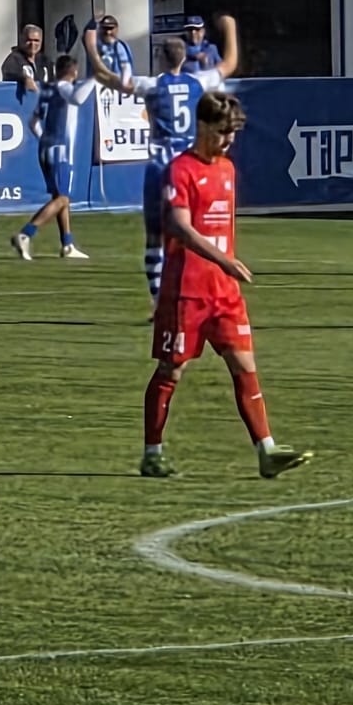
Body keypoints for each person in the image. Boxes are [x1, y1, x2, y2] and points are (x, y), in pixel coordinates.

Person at [142, 90, 311, 481]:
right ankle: (152, 452)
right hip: (186, 291)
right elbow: (179, 225)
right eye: (221, 133)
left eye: (232, 134)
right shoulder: (180, 170)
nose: (227, 141)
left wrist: (225, 267)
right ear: (202, 126)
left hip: (224, 293)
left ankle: (266, 450)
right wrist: (222, 259)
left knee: (244, 364)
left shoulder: (227, 169)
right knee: (171, 369)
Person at [89, 14, 242, 303]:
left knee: (155, 236)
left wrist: (91, 47)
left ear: (161, 58)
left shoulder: (151, 85)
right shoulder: (199, 81)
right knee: (192, 230)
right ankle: (196, 290)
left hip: (161, 164)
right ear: (183, 58)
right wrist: (230, 27)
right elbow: (229, 64)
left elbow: (104, 77)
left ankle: (160, 300)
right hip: (190, 164)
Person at [13, 53, 97, 262]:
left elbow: (33, 122)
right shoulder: (65, 88)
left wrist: (45, 139)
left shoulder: (47, 91)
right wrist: (96, 78)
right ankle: (26, 233)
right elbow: (78, 98)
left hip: (46, 148)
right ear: (74, 72)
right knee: (63, 198)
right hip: (61, 149)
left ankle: (67, 244)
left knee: (60, 198)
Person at [1, 24, 51, 99]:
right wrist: (25, 79)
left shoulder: (44, 60)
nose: (32, 44)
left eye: (36, 40)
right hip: (18, 106)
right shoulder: (14, 59)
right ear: (21, 40)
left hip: (41, 106)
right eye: (29, 40)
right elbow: (9, 73)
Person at [88, 15, 133, 82]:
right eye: (105, 28)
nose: (108, 32)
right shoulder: (94, 47)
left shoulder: (119, 47)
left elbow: (126, 68)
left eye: (111, 28)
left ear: (116, 29)